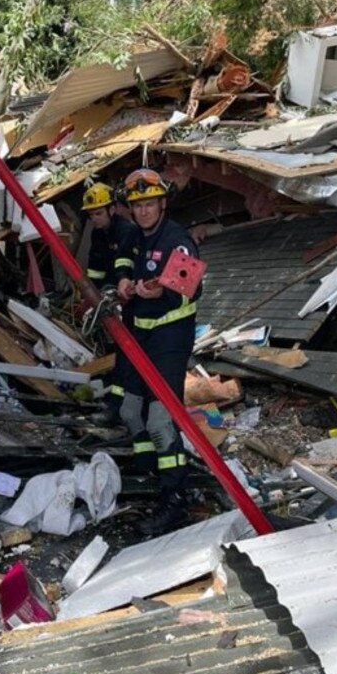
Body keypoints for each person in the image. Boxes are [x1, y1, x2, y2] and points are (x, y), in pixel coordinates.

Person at [116, 168, 201, 536]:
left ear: (162, 203)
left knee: (160, 422)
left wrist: (160, 293)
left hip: (169, 338)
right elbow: (122, 258)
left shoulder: (176, 239)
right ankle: (150, 471)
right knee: (129, 410)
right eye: (138, 206)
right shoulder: (134, 234)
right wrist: (121, 281)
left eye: (149, 204)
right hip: (139, 336)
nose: (144, 211)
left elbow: (192, 288)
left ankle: (174, 499)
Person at [81, 182, 138, 422]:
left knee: (127, 352)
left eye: (98, 213)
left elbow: (129, 268)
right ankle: (116, 400)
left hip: (128, 300)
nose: (95, 219)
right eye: (91, 214)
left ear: (112, 209)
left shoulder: (126, 231)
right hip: (109, 300)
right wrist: (91, 295)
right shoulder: (98, 234)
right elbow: (95, 267)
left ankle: (119, 403)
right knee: (117, 351)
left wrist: (118, 289)